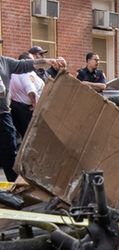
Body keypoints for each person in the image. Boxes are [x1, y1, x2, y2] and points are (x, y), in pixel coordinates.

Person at [0, 52, 67, 181]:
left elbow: (26, 65)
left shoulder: (4, 62)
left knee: (9, 149)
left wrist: (48, 61)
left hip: (3, 115)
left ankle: (14, 187)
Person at [9, 53, 45, 139]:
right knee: (30, 137)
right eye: (32, 60)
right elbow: (31, 91)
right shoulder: (26, 72)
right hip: (27, 109)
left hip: (15, 106)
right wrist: (36, 107)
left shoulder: (14, 73)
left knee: (24, 136)